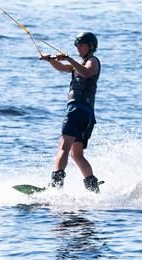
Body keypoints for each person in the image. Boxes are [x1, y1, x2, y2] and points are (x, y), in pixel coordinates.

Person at [41, 31, 102, 192]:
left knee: (63, 147)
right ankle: (92, 187)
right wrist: (50, 60)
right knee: (76, 154)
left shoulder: (92, 61)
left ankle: (55, 185)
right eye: (77, 46)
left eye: (81, 45)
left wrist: (68, 58)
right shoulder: (79, 64)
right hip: (86, 114)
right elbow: (62, 68)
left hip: (77, 110)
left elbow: (86, 72)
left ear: (91, 47)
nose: (78, 48)